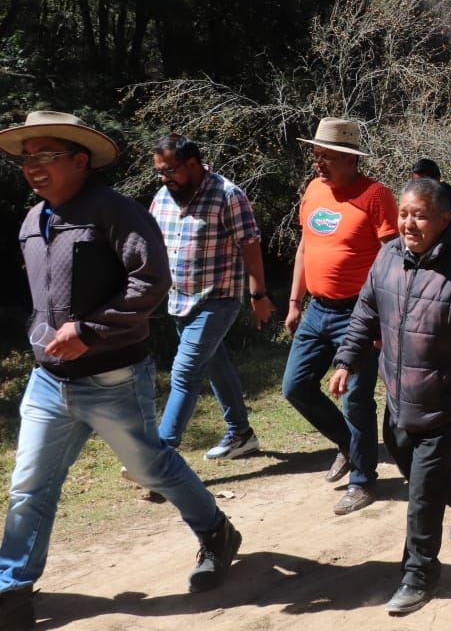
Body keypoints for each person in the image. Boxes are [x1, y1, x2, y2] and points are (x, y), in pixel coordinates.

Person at [0, 112, 241, 630]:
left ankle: (216, 531)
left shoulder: (116, 211)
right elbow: (39, 298)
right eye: (26, 159)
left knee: (152, 468)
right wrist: (38, 331)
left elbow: (152, 282)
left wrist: (89, 330)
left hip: (112, 379)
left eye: (45, 156)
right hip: (49, 380)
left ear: (79, 160)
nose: (33, 168)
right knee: (28, 485)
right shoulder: (32, 219)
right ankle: (12, 592)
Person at [330, 177, 451, 616]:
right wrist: (345, 361)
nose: (409, 224)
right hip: (399, 396)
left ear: (444, 219)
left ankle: (419, 575)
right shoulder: (388, 256)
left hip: (448, 398)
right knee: (414, 468)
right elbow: (365, 315)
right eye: (405, 214)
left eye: (420, 215)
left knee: (423, 493)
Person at [283, 117, 399, 516]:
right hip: (317, 309)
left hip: (359, 313)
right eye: (317, 154)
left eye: (327, 156)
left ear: (350, 159)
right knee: (295, 386)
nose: (319, 163)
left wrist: (385, 317)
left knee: (356, 400)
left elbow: (393, 258)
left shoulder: (375, 196)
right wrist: (295, 302)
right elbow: (304, 246)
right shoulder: (314, 189)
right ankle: (349, 447)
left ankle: (364, 480)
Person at [149, 133, 272, 460]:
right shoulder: (162, 196)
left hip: (218, 298)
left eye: (169, 171)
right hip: (179, 300)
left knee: (185, 372)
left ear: (192, 164)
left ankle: (160, 458)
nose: (164, 178)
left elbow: (250, 245)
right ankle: (242, 434)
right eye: (159, 172)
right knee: (216, 364)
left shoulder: (227, 194)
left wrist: (258, 293)